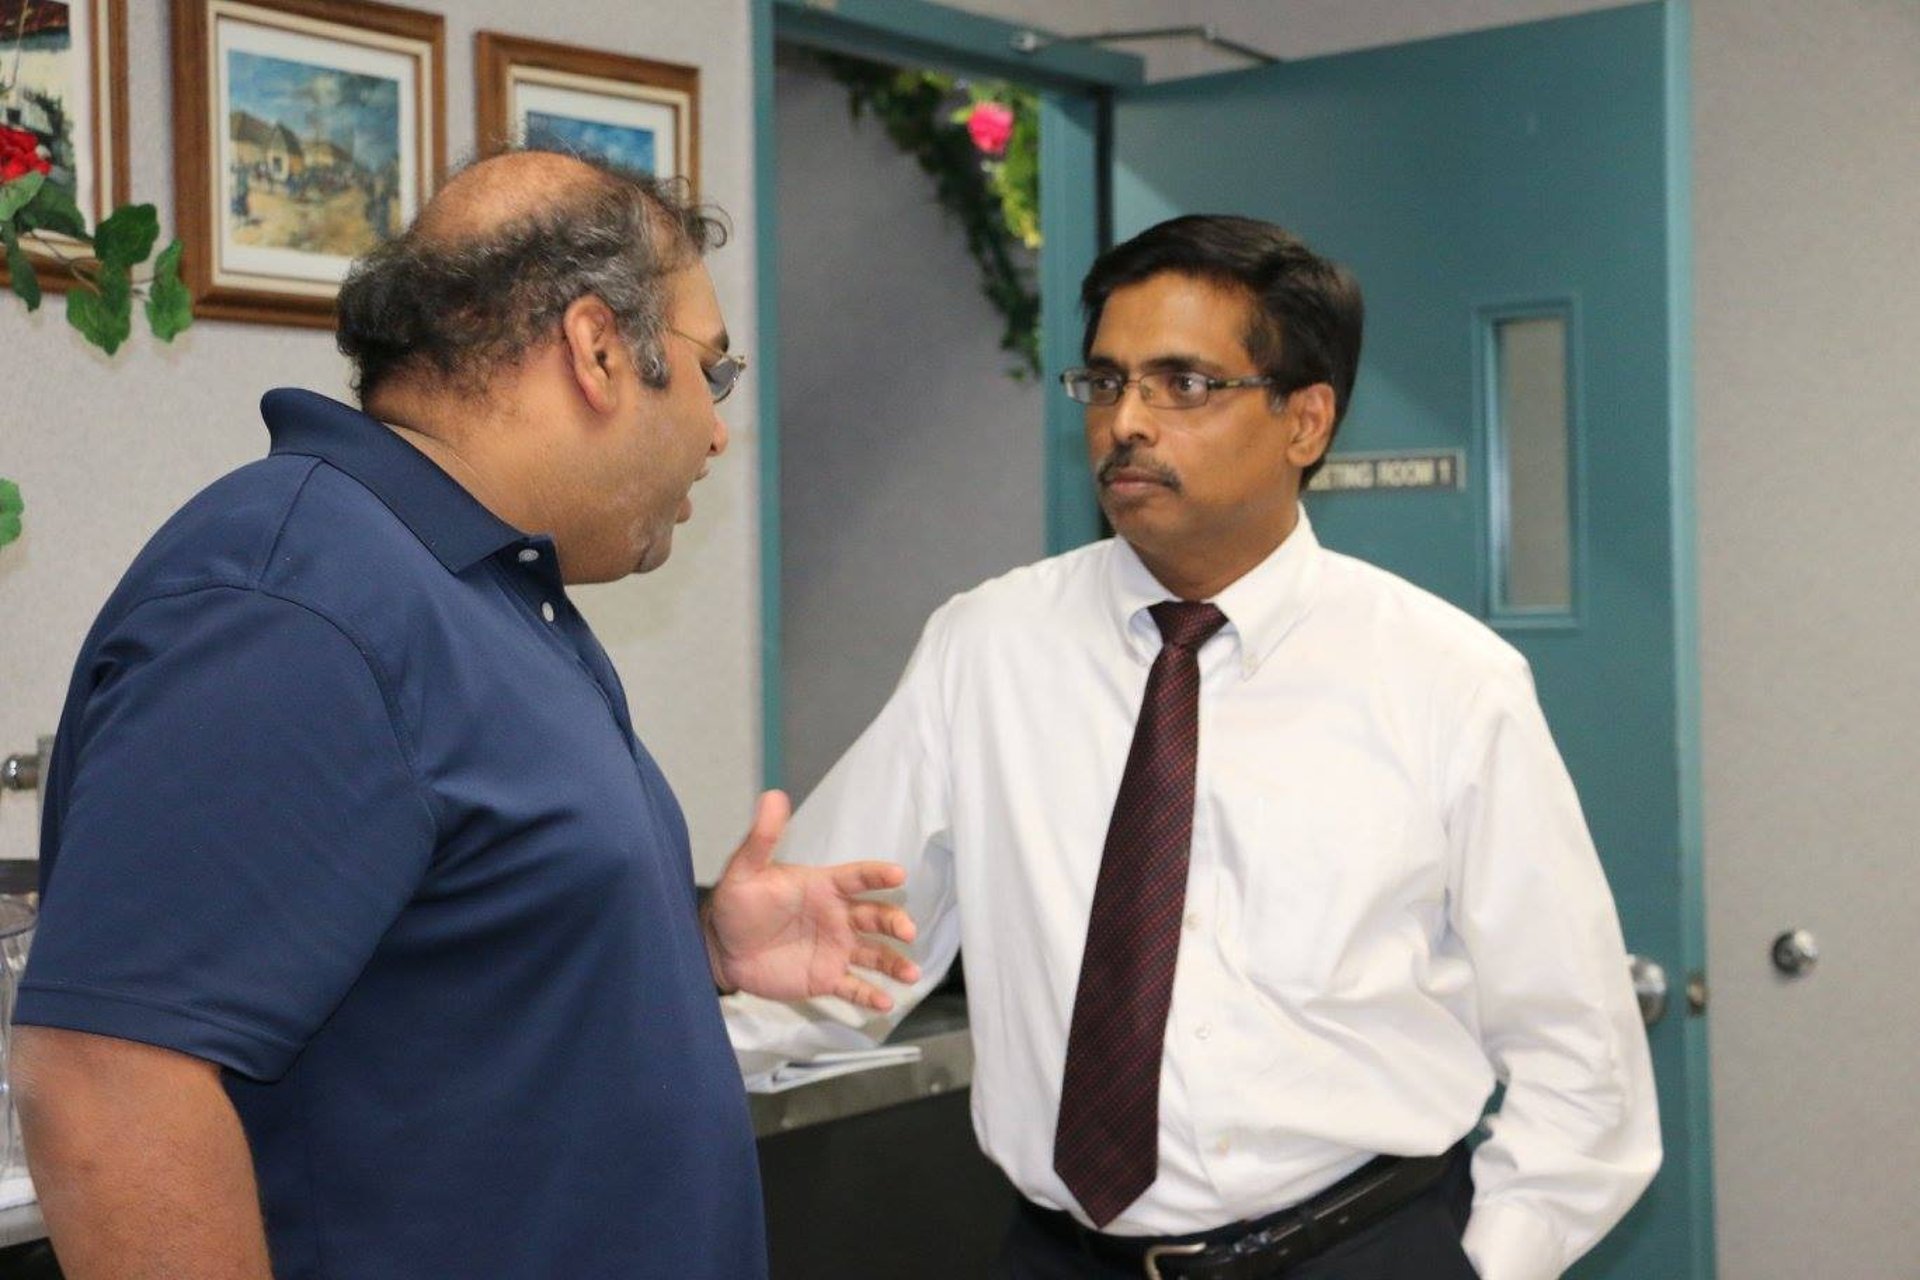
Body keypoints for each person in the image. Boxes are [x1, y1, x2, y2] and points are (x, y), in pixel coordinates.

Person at [9, 150, 918, 1280]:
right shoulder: (295, 606)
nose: (717, 431)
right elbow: (105, 1080)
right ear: (597, 349)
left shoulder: (476, 587)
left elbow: (439, 961)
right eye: (711, 371)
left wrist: (690, 950)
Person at [725, 214, 1660, 1280]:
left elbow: (1581, 1059)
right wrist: (627, 1054)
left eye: (1184, 384)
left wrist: (1486, 1265)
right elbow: (830, 953)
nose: (1127, 422)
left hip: (1353, 1246)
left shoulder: (1448, 681)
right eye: (1106, 381)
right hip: (1058, 1257)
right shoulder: (984, 646)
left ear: (1306, 419)